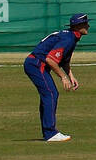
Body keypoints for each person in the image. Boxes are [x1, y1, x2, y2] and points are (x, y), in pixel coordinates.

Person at [24, 13, 90, 142]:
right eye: (85, 24)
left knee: (49, 95)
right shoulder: (69, 38)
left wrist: (71, 75)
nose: (88, 25)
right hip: (36, 64)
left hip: (35, 63)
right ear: (78, 26)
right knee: (51, 94)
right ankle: (50, 133)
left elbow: (64, 60)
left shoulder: (71, 36)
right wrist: (63, 77)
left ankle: (48, 132)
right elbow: (50, 59)